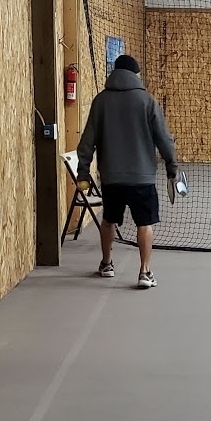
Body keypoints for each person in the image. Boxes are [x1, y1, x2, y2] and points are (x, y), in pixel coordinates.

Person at [77, 54, 178, 289]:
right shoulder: (147, 101)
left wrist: (83, 172)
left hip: (112, 176)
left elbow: (87, 141)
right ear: (136, 75)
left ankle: (106, 263)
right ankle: (144, 272)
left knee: (109, 219)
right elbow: (163, 139)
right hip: (142, 177)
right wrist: (172, 168)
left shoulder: (100, 101)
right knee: (145, 223)